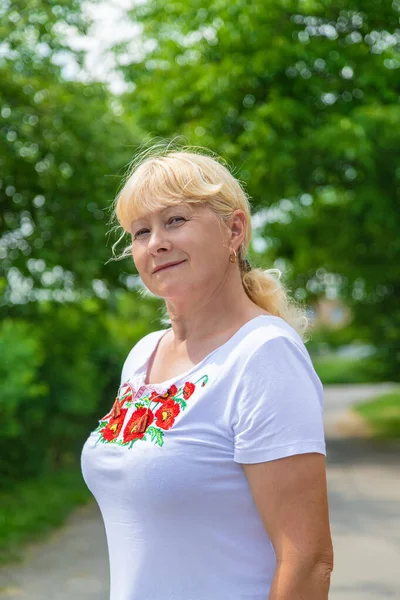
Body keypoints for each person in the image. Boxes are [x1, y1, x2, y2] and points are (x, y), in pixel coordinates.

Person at [81, 144, 334, 600]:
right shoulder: (142, 356)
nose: (155, 241)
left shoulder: (263, 354)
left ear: (233, 229)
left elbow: (308, 561)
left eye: (175, 220)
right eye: (140, 231)